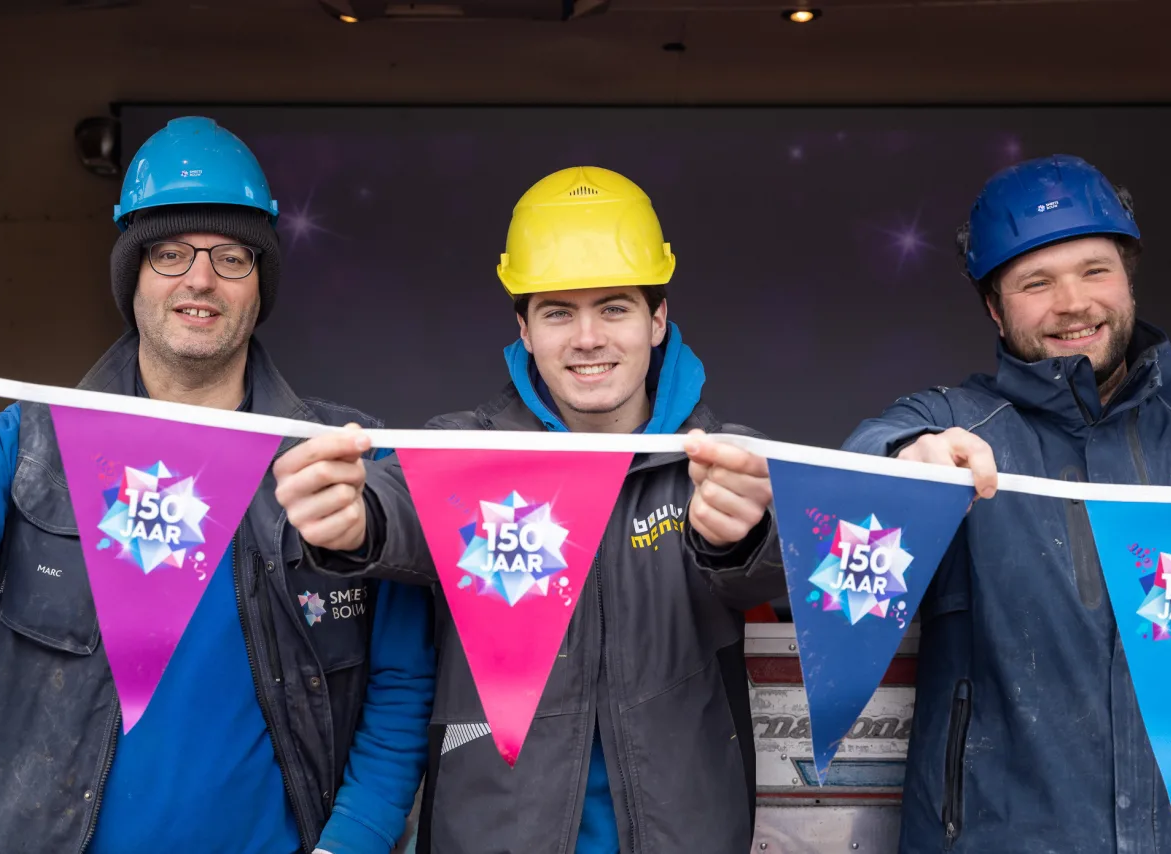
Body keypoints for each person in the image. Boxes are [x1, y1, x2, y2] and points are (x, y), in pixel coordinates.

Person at [272, 165, 788, 852]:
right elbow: (392, 506)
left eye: (614, 307)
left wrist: (745, 537)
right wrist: (350, 516)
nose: (587, 337)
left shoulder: (724, 462)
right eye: (557, 312)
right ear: (524, 327)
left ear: (658, 319)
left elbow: (784, 566)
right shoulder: (467, 452)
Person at [0, 116, 433, 854]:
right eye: (170, 253)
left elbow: (400, 689)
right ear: (134, 275)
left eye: (232, 258)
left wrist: (353, 844)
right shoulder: (28, 449)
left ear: (260, 283)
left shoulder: (347, 462)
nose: (200, 279)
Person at [843, 154, 1171, 853]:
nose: (1073, 303)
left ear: (1127, 280)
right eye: (1037, 282)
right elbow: (861, 466)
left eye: (1094, 271)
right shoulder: (953, 424)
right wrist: (903, 466)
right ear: (995, 309)